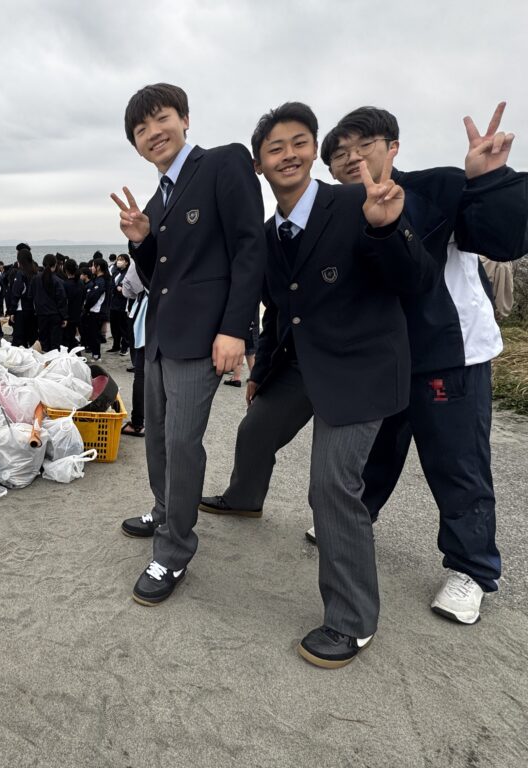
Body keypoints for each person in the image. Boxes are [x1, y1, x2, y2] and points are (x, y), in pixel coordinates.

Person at [206, 103, 439, 668]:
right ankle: (244, 498)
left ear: (313, 152)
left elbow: (415, 281)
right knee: (255, 429)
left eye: (299, 142)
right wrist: (261, 373)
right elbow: (276, 310)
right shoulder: (266, 234)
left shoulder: (357, 202)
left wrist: (389, 230)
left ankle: (352, 619)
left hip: (361, 367)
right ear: (260, 166)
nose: (288, 154)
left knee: (332, 486)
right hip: (302, 363)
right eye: (274, 148)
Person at [311, 104, 525, 624]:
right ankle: (356, 519)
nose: (351, 159)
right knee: (372, 452)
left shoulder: (440, 187)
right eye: (339, 155)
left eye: (364, 147)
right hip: (378, 356)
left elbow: (504, 240)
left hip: (445, 353)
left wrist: (491, 180)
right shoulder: (337, 212)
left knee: (456, 461)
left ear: (394, 148)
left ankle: (472, 569)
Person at [110, 83, 266, 608]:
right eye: (140, 129)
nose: (153, 132)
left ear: (185, 119)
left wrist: (236, 329)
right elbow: (157, 276)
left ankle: (174, 548)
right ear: (135, 145)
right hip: (160, 334)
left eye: (161, 119)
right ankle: (164, 506)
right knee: (155, 436)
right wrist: (141, 241)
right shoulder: (158, 197)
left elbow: (250, 247)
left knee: (181, 442)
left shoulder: (225, 163)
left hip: (204, 337)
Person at [120, 259, 147, 437]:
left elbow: (128, 287)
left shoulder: (143, 255)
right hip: (175, 317)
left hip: (147, 317)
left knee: (142, 374)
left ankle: (138, 423)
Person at [32, 254, 67, 352]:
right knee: (55, 343)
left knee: (43, 342)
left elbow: (31, 295)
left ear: (43, 264)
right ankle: (54, 363)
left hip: (41, 315)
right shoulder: (58, 281)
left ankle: (44, 363)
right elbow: (62, 300)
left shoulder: (36, 279)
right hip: (55, 315)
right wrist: (64, 316)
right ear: (55, 265)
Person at [8, 249, 38, 347]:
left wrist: (12, 311)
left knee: (19, 339)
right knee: (32, 337)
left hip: (21, 309)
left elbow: (16, 293)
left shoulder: (20, 274)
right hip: (33, 310)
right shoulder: (35, 273)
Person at [81, 259, 111, 361]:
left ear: (98, 267)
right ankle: (95, 353)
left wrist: (86, 306)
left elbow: (93, 297)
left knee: (94, 334)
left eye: (93, 266)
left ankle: (96, 355)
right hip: (94, 311)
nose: (91, 268)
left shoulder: (101, 281)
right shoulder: (98, 279)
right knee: (92, 333)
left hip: (96, 311)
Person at [108, 254, 133, 354]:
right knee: (114, 326)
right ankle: (116, 345)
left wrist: (120, 288)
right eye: (118, 260)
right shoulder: (116, 272)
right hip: (114, 302)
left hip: (123, 303)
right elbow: (112, 285)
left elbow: (127, 287)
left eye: (121, 260)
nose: (119, 261)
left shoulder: (128, 273)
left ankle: (125, 347)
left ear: (126, 262)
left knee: (123, 326)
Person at [60, 260, 84, 350]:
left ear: (65, 270)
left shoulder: (65, 284)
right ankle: (76, 353)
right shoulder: (81, 283)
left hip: (68, 315)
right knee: (73, 335)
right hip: (78, 314)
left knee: (67, 338)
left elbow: (64, 301)